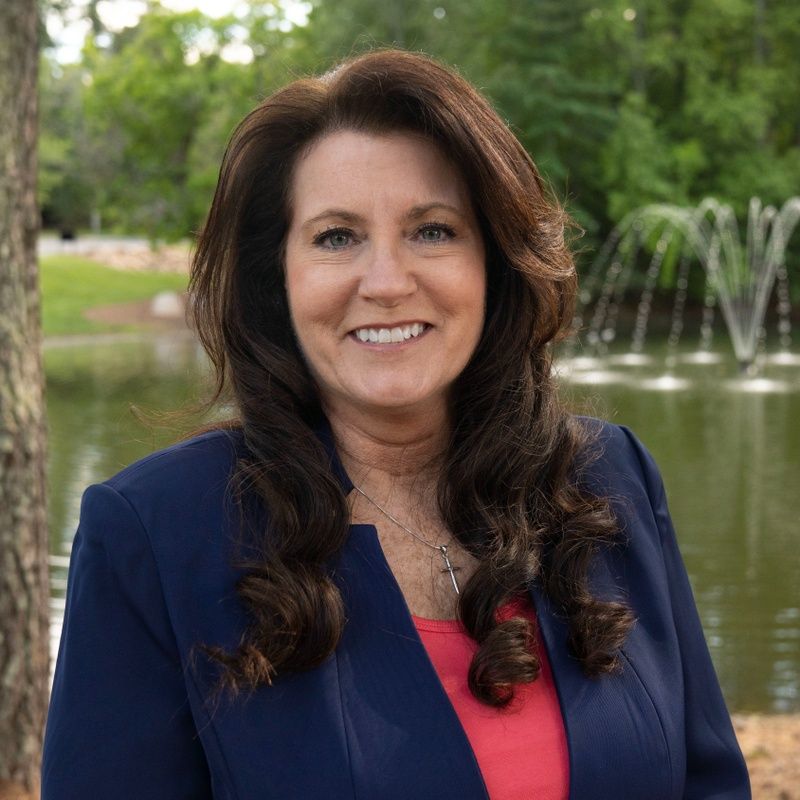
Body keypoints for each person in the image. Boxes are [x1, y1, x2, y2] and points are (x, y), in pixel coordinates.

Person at [41, 49, 750, 799]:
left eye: (433, 230)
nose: (386, 282)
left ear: (494, 263)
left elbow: (707, 785)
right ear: (276, 276)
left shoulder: (610, 479)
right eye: (336, 237)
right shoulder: (156, 533)